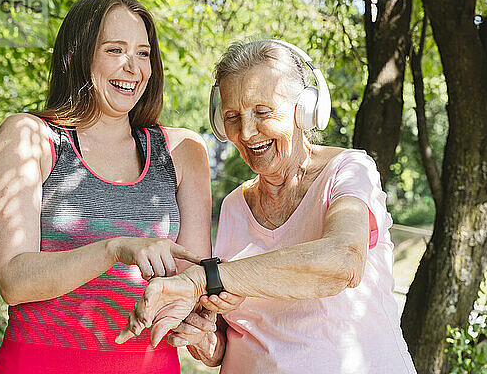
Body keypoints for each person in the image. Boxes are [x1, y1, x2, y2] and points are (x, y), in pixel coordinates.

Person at [116, 39, 417, 374]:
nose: (246, 132)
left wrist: (207, 279)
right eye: (232, 116)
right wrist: (202, 338)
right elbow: (224, 344)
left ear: (304, 109)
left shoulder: (349, 170)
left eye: (262, 112)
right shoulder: (234, 205)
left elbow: (342, 262)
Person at [0, 0, 212, 373]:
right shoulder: (29, 137)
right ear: (79, 55)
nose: (133, 67)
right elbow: (14, 280)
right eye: (115, 50)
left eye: (143, 53)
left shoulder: (184, 151)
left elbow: (189, 282)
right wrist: (112, 250)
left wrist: (203, 313)